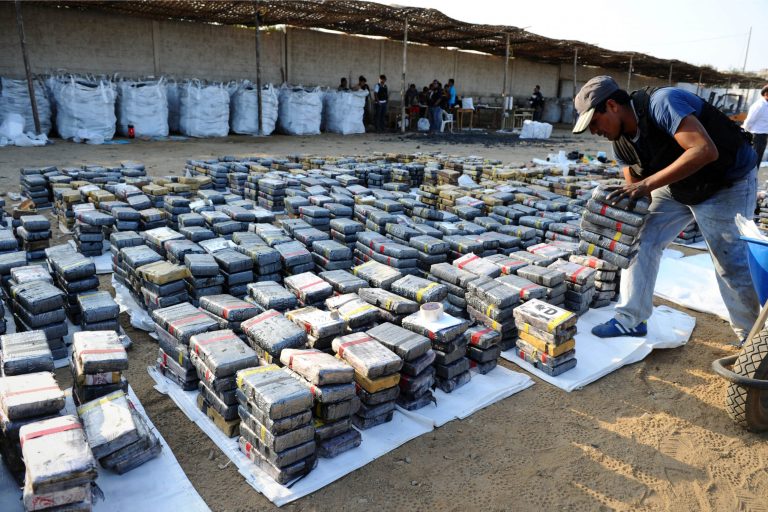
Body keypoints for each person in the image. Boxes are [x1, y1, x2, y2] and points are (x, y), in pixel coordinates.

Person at [572, 75, 759, 344]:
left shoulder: (662, 102)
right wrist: (619, 219)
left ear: (611, 105)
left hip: (725, 183)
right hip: (678, 186)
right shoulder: (621, 142)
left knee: (730, 262)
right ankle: (631, 319)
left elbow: (704, 150)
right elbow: (638, 192)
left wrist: (647, 184)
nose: (594, 131)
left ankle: (753, 340)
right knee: (639, 239)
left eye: (594, 122)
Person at [743, 84, 768, 165]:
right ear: (766, 94)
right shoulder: (759, 105)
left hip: (762, 137)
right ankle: (749, 177)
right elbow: (749, 121)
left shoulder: (766, 105)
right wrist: (744, 131)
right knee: (753, 161)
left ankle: (753, 177)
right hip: (756, 136)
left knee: (757, 160)